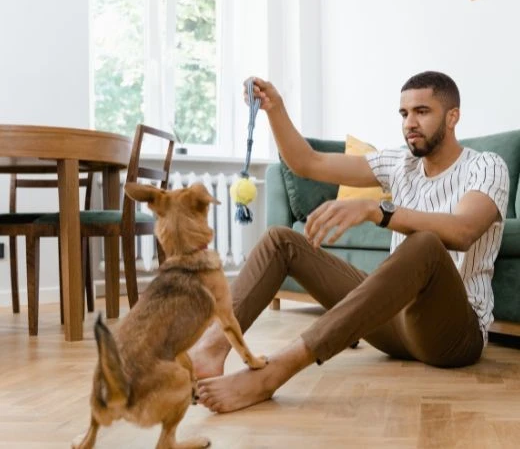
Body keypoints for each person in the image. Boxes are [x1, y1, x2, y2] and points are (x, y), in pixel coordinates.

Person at [189, 71, 509, 414]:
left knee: (425, 245)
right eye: (404, 114)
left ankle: (275, 371)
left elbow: (462, 231)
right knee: (281, 241)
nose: (410, 123)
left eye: (422, 112)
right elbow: (307, 162)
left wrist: (377, 209)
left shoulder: (486, 166)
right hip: (394, 327)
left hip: (453, 336)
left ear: (452, 116)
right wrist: (275, 109)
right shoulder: (400, 164)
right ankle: (211, 349)